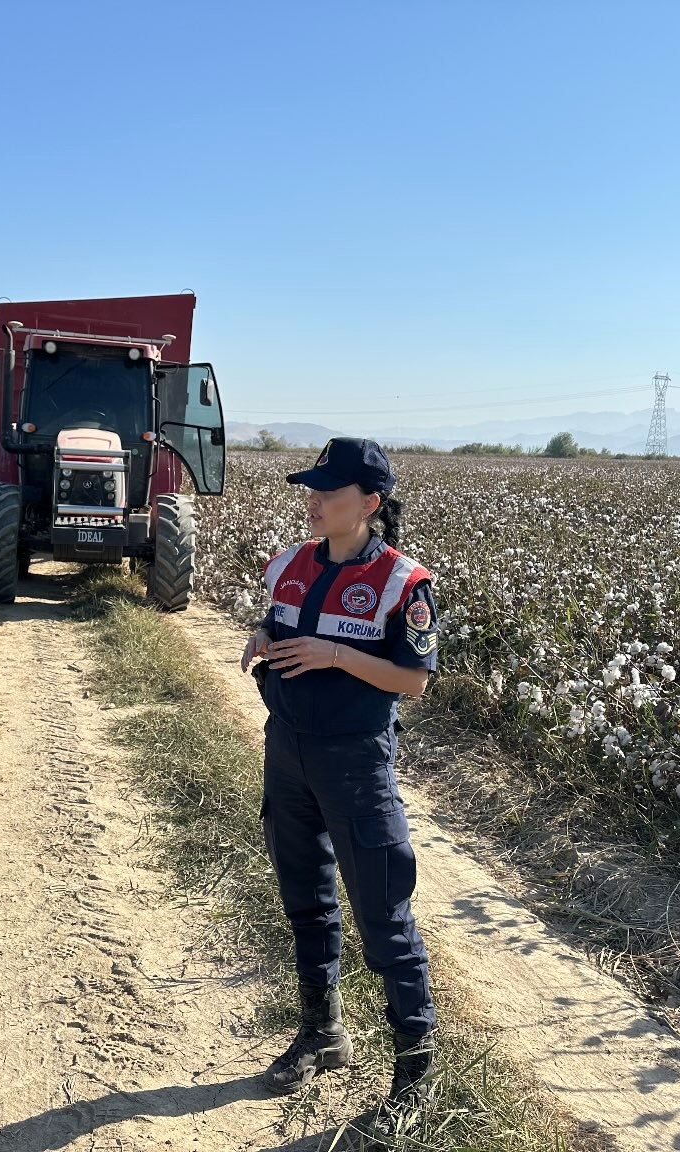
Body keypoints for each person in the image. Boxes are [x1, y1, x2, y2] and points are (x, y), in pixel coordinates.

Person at [240, 437, 441, 1135]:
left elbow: (413, 682)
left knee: (384, 911)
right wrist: (263, 637)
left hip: (355, 760)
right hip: (287, 750)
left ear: (371, 503)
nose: (313, 499)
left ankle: (416, 1075)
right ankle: (321, 1033)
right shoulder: (292, 563)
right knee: (306, 897)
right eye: (311, 488)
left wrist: (335, 654)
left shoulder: (401, 583)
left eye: (329, 490)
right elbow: (284, 620)